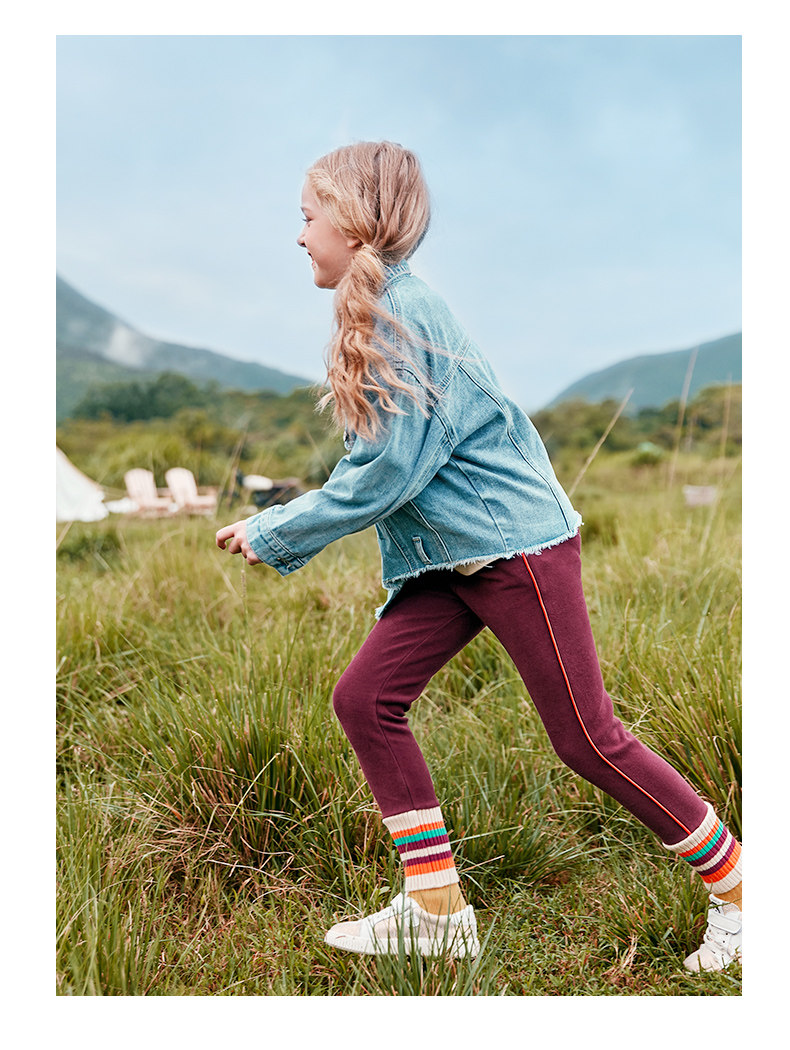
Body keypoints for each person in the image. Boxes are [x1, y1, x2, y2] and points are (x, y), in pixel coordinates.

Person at [216, 141, 742, 972]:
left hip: (513, 549)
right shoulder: (380, 309)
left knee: (589, 738)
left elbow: (389, 471)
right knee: (367, 700)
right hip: (452, 559)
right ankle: (436, 913)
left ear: (352, 223)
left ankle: (744, 892)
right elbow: (387, 463)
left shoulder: (404, 314)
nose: (299, 235)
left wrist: (279, 529)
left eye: (308, 216)